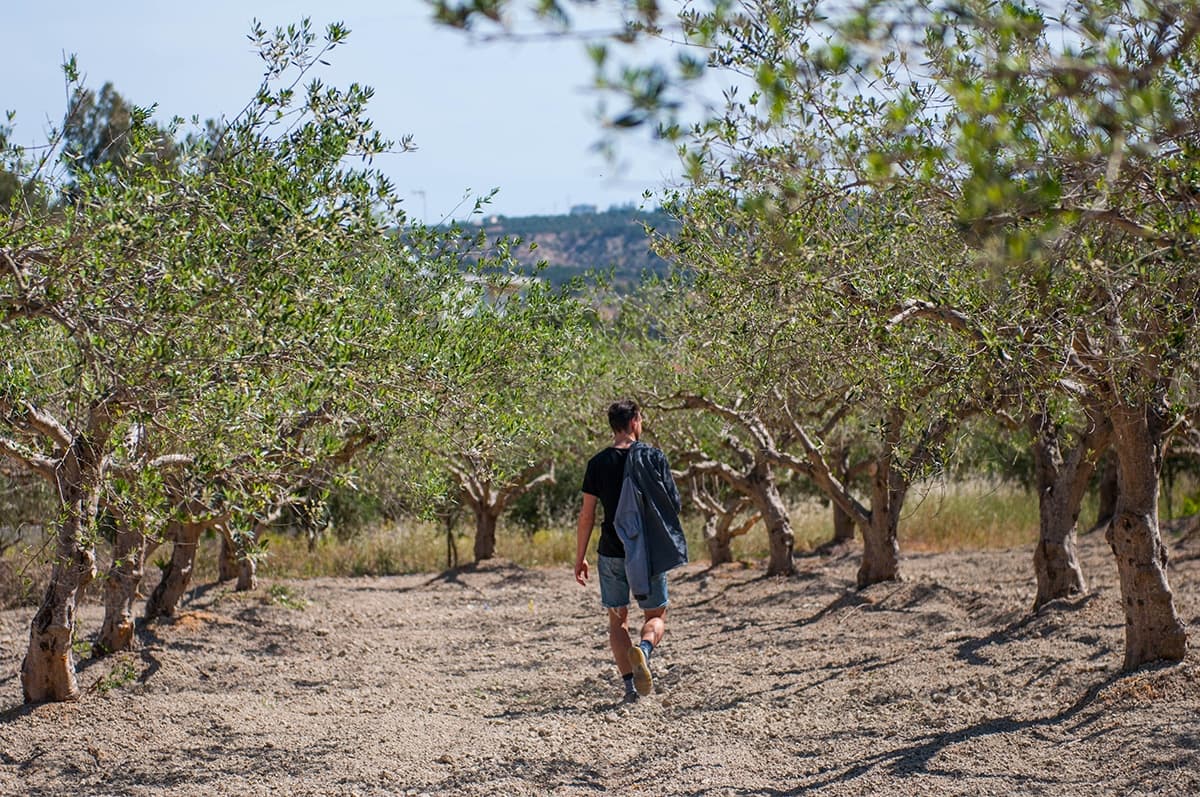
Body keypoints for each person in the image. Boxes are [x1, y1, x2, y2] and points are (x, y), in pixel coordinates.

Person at [574, 399, 686, 702]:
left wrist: (580, 556)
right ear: (635, 421)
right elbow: (673, 505)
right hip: (647, 552)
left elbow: (587, 515)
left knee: (618, 619)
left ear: (613, 426)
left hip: (611, 550)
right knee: (655, 615)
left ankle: (629, 688)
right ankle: (645, 650)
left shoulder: (597, 463)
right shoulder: (653, 457)